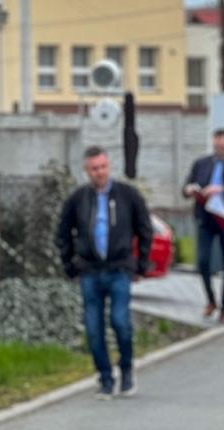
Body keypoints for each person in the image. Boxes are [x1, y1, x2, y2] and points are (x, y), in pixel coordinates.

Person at [58, 146, 154, 397]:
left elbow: (145, 228)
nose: (99, 172)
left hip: (119, 268)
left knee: (120, 321)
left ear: (109, 166)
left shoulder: (127, 195)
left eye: (103, 167)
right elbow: (63, 232)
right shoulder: (78, 199)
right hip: (89, 270)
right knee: (93, 327)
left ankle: (126, 370)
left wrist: (141, 264)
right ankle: (105, 377)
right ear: (86, 171)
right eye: (94, 169)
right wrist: (69, 264)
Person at [182, 129, 224, 324]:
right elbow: (186, 185)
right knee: (202, 261)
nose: (219, 149)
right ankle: (211, 299)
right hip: (205, 216)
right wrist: (190, 189)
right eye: (216, 146)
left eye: (222, 146)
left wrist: (221, 189)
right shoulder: (201, 163)